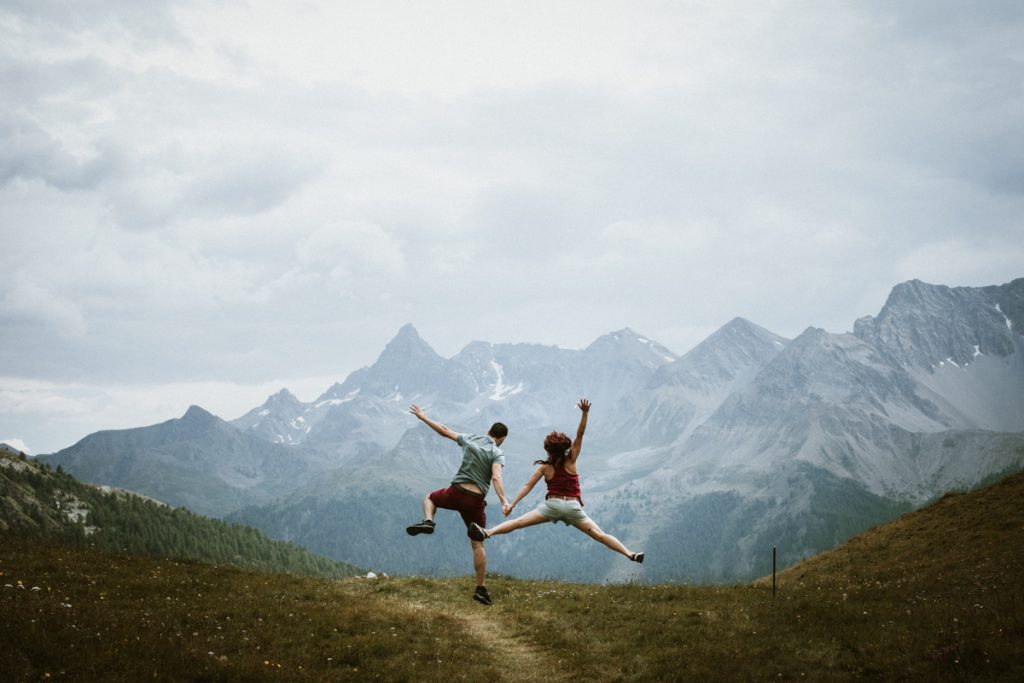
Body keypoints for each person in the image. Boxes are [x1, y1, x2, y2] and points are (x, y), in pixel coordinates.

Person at [469, 399, 644, 564]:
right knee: (600, 535)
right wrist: (585, 413)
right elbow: (580, 434)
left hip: (553, 506)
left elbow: (527, 486)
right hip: (573, 508)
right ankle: (630, 554)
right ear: (565, 447)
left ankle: (487, 532)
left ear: (548, 449)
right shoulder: (571, 460)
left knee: (518, 523)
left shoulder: (544, 468)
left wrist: (511, 504)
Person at [405, 404, 509, 605]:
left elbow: (444, 430)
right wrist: (504, 501)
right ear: (502, 438)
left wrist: (423, 417)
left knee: (430, 497)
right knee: (477, 543)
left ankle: (428, 521)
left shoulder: (470, 438)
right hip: (474, 501)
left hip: (455, 492)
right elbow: (496, 477)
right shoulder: (497, 452)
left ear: (488, 431)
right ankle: (480, 589)